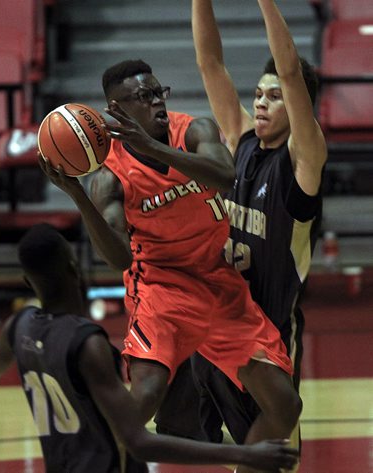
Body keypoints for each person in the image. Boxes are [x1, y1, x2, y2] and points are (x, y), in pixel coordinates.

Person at [38, 58, 304, 472]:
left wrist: (154, 148)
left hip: (217, 282)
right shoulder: (110, 175)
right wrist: (78, 195)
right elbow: (118, 259)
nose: (156, 102)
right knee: (142, 399)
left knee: (284, 404)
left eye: (158, 92)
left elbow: (224, 176)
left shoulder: (194, 130)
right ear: (117, 108)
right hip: (161, 289)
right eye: (143, 97)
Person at [0, 223, 299, 473]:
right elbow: (138, 441)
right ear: (74, 267)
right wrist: (245, 455)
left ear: (28, 283)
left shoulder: (17, 327)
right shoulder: (87, 344)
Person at [156, 0, 328, 469]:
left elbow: (292, 73)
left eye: (273, 97)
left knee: (268, 463)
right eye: (257, 93)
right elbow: (209, 62)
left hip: (271, 341)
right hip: (219, 334)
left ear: (298, 108)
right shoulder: (239, 141)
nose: (260, 102)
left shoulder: (302, 163)